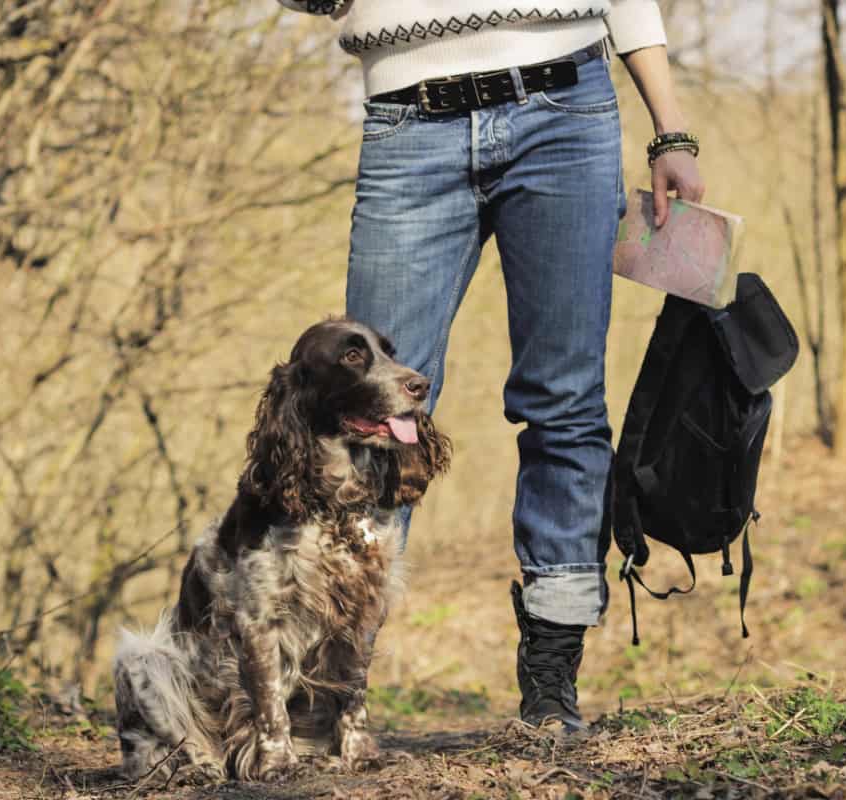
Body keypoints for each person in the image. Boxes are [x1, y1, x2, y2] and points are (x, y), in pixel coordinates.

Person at [277, 0, 705, 732]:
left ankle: (551, 679)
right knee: (370, 412)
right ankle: (329, 685)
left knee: (564, 400)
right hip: (408, 123)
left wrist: (671, 131)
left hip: (567, 113)